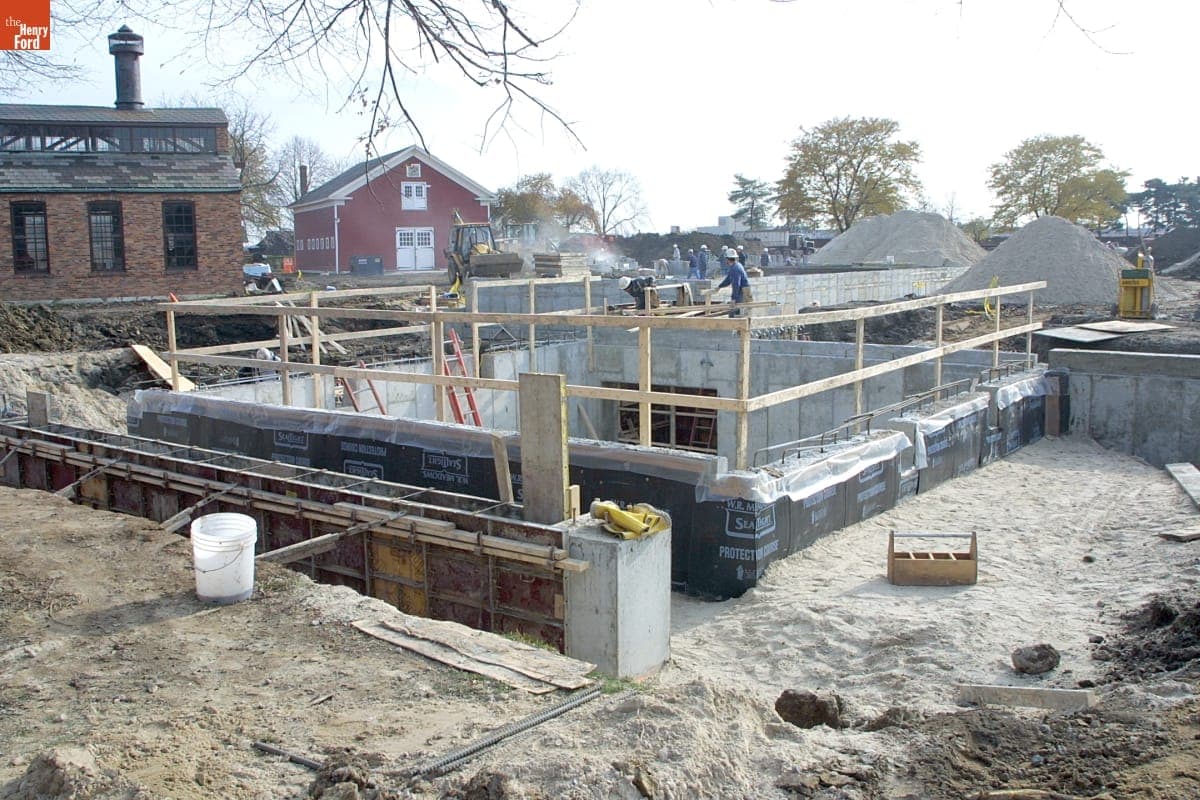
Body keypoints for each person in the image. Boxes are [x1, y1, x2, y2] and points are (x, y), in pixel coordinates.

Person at [711, 249, 751, 316]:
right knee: (737, 311)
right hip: (742, 290)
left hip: (742, 291)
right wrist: (719, 286)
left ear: (727, 259)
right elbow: (728, 280)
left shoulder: (735, 268)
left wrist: (734, 299)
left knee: (737, 312)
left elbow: (736, 284)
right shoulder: (735, 266)